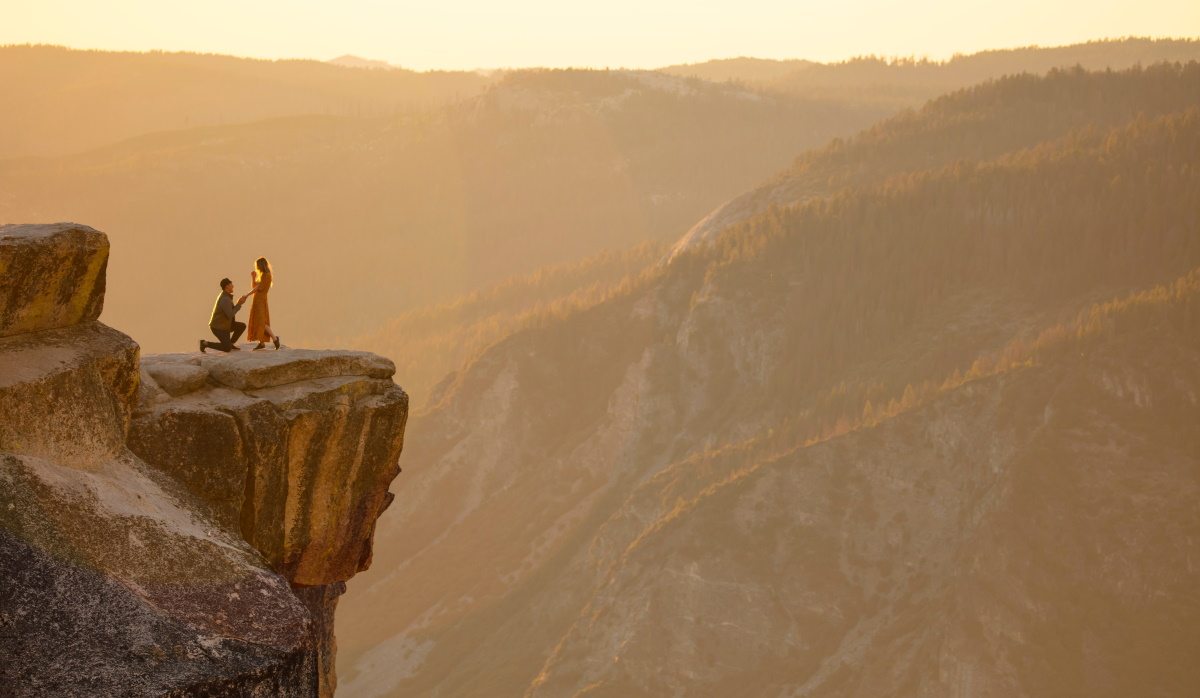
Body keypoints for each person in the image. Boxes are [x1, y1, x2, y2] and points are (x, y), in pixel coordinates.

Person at [200, 278, 249, 353]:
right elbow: (229, 314)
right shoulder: (225, 298)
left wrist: (239, 303)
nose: (233, 286)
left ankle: (230, 343)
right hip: (219, 327)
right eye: (231, 284)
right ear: (227, 286)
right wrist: (239, 304)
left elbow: (230, 310)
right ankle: (205, 343)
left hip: (226, 325)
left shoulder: (226, 296)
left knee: (242, 326)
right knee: (227, 348)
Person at [247, 256, 281, 350]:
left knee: (262, 322)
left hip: (260, 300)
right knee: (258, 321)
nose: (257, 268)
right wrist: (253, 278)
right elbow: (255, 286)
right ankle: (261, 342)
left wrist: (247, 294)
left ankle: (275, 339)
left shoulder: (266, 276)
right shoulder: (262, 275)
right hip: (258, 299)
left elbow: (258, 288)